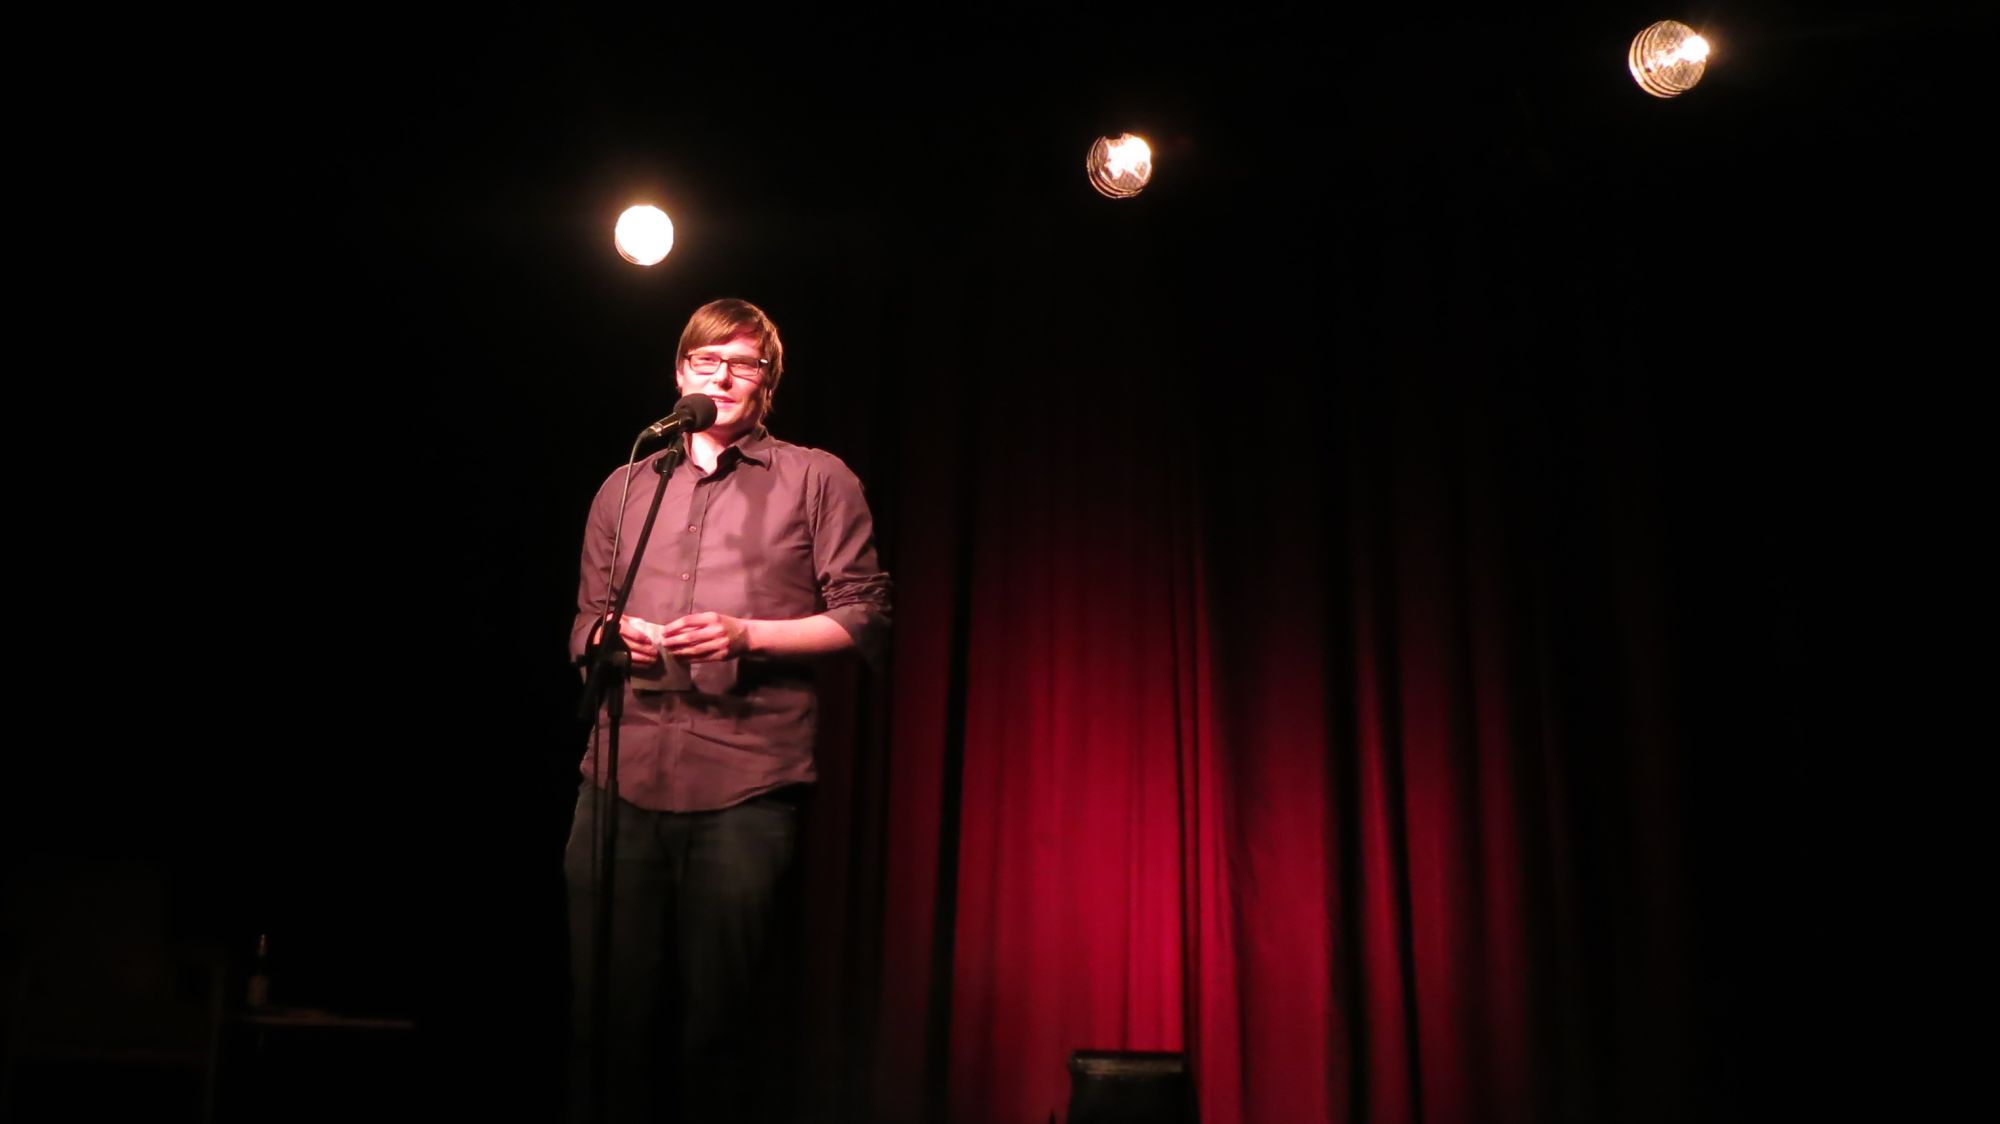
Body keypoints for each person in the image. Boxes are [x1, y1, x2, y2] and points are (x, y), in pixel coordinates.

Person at [564, 298, 891, 1123]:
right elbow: (585, 621)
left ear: (767, 382)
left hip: (744, 785)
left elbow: (864, 618)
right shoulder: (627, 484)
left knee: (719, 1029)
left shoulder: (816, 478)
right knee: (605, 1023)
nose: (722, 377)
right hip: (620, 778)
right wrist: (611, 636)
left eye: (743, 364)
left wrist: (749, 635)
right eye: (707, 361)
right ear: (681, 371)